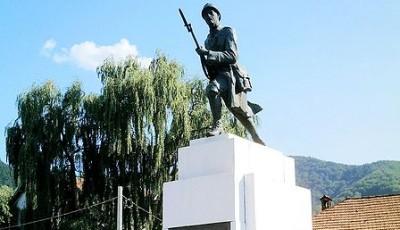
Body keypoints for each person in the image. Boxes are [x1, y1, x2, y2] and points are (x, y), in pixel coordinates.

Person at [196, 3, 265, 145]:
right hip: (219, 76)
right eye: (205, 15)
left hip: (231, 75)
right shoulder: (207, 40)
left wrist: (208, 53)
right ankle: (218, 125)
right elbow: (210, 64)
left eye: (211, 13)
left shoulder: (227, 31)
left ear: (218, 16)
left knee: (238, 110)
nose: (208, 17)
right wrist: (203, 57)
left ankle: (255, 135)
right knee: (212, 89)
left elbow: (232, 55)